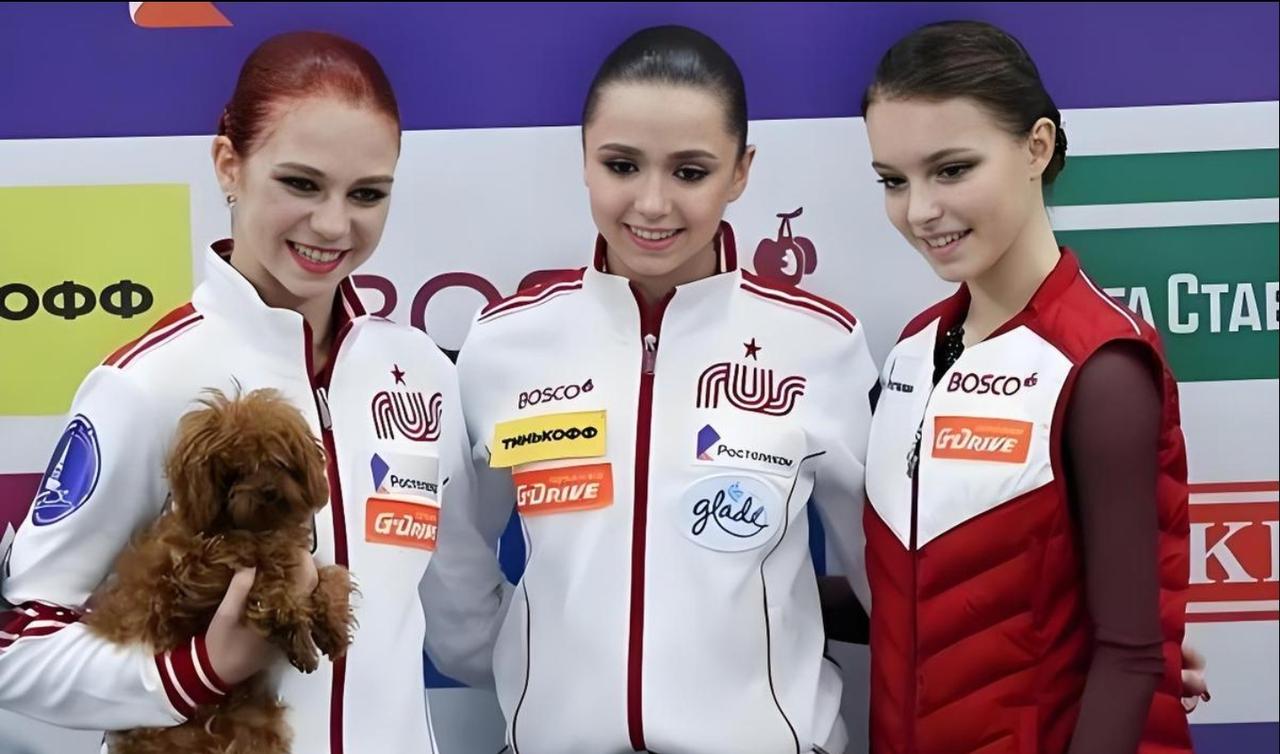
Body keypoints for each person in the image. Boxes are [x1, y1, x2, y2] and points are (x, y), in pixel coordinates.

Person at [0, 31, 468, 754]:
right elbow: (17, 645)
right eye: (300, 184)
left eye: (367, 193)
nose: (333, 223)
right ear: (229, 165)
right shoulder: (147, 381)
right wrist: (199, 671)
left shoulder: (420, 370)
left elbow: (455, 609)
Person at [422, 24, 878, 754]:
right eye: (622, 165)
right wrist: (532, 674)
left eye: (690, 172)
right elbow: (452, 551)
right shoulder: (507, 342)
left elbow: (887, 574)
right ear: (584, 158)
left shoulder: (820, 344)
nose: (653, 203)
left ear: (741, 172)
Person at [859, 20, 1195, 754]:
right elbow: (917, 596)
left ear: (1036, 148)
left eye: (952, 170)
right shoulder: (913, 351)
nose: (919, 210)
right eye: (894, 180)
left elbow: (1131, 655)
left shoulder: (1101, 365)